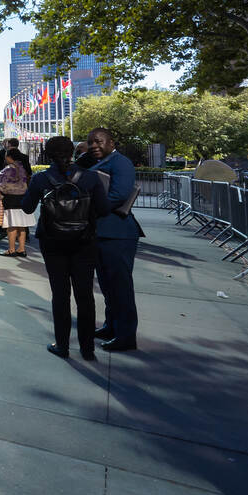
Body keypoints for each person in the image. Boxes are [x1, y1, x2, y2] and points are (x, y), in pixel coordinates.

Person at [21, 135, 110, 360]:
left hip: (52, 242)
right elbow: (103, 209)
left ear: (48, 155)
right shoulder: (90, 177)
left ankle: (62, 346)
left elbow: (27, 208)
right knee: (85, 295)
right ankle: (87, 349)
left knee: (60, 295)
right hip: (84, 241)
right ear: (73, 153)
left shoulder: (41, 179)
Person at [88, 127, 145, 352]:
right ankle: (111, 326)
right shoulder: (100, 162)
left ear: (111, 142)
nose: (94, 145)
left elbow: (119, 195)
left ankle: (126, 336)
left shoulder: (120, 162)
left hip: (118, 234)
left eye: (98, 141)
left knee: (120, 287)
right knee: (108, 285)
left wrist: (88, 209)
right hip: (103, 233)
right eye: (91, 142)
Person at [0, 138, 34, 257]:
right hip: (23, 199)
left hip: (11, 200)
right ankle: (21, 249)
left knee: (11, 226)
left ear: (9, 157)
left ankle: (11, 249)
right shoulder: (23, 168)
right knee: (22, 226)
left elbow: (2, 186)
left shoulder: (7, 169)